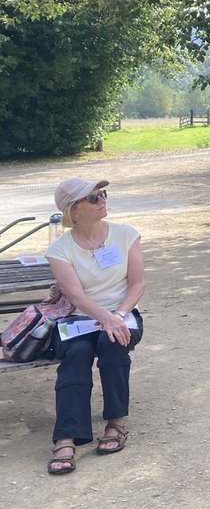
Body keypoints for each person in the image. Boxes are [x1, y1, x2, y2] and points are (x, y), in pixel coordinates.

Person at [45, 178, 145, 475]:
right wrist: (104, 317)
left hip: (123, 314)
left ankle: (116, 422)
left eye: (102, 194)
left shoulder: (126, 235)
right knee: (75, 354)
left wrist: (118, 314)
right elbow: (75, 296)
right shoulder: (59, 249)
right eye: (92, 198)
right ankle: (67, 436)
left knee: (113, 343)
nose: (102, 200)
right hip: (78, 320)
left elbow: (137, 283)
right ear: (73, 211)